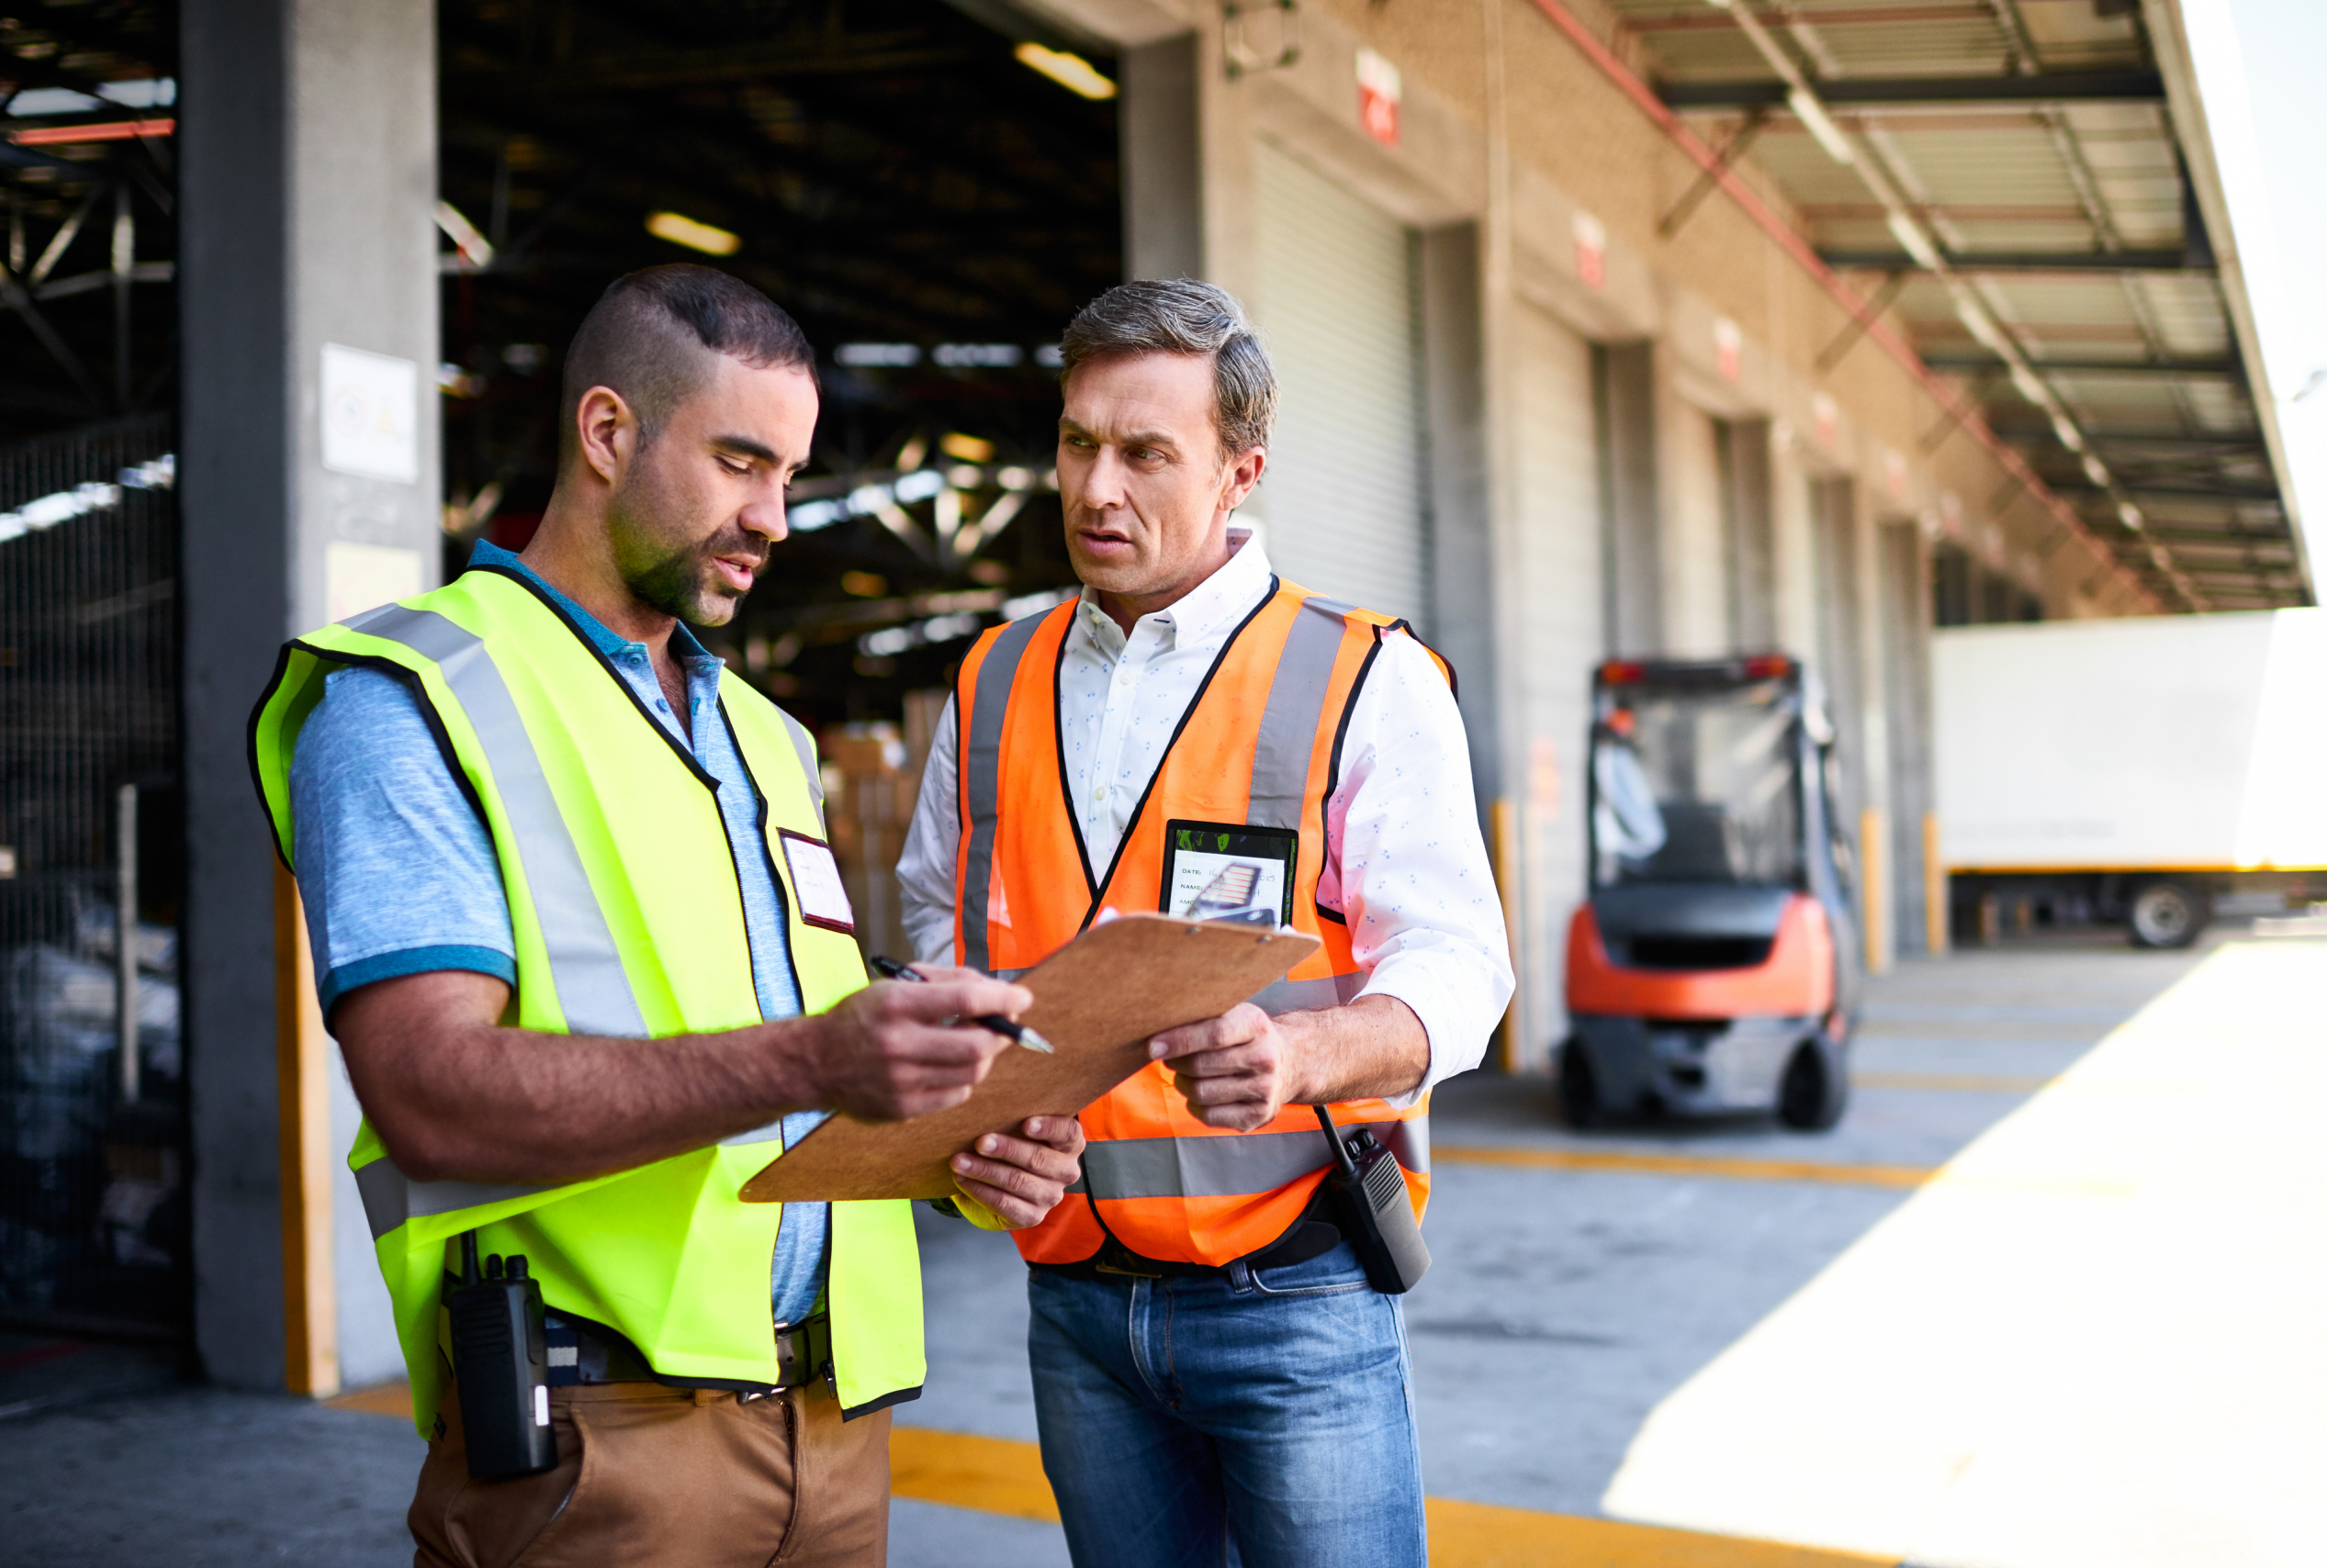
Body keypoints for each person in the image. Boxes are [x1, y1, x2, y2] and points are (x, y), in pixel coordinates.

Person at [249, 263, 1083, 1568]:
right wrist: (820, 1057)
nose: (778, 517)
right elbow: (429, 1092)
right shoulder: (409, 698)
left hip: (834, 1434)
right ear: (605, 433)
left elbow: (785, 1069)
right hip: (596, 1448)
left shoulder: (764, 737)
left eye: (792, 475)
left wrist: (955, 1142)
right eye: (741, 462)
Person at [898, 279, 1513, 1568]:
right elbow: (942, 936)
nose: (1095, 488)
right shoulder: (990, 679)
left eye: (1144, 454)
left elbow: (1461, 963)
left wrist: (1305, 1059)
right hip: (1073, 1298)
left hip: (1295, 1300)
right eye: (1076, 443)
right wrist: (973, 1136)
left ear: (1242, 469)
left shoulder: (1364, 677)